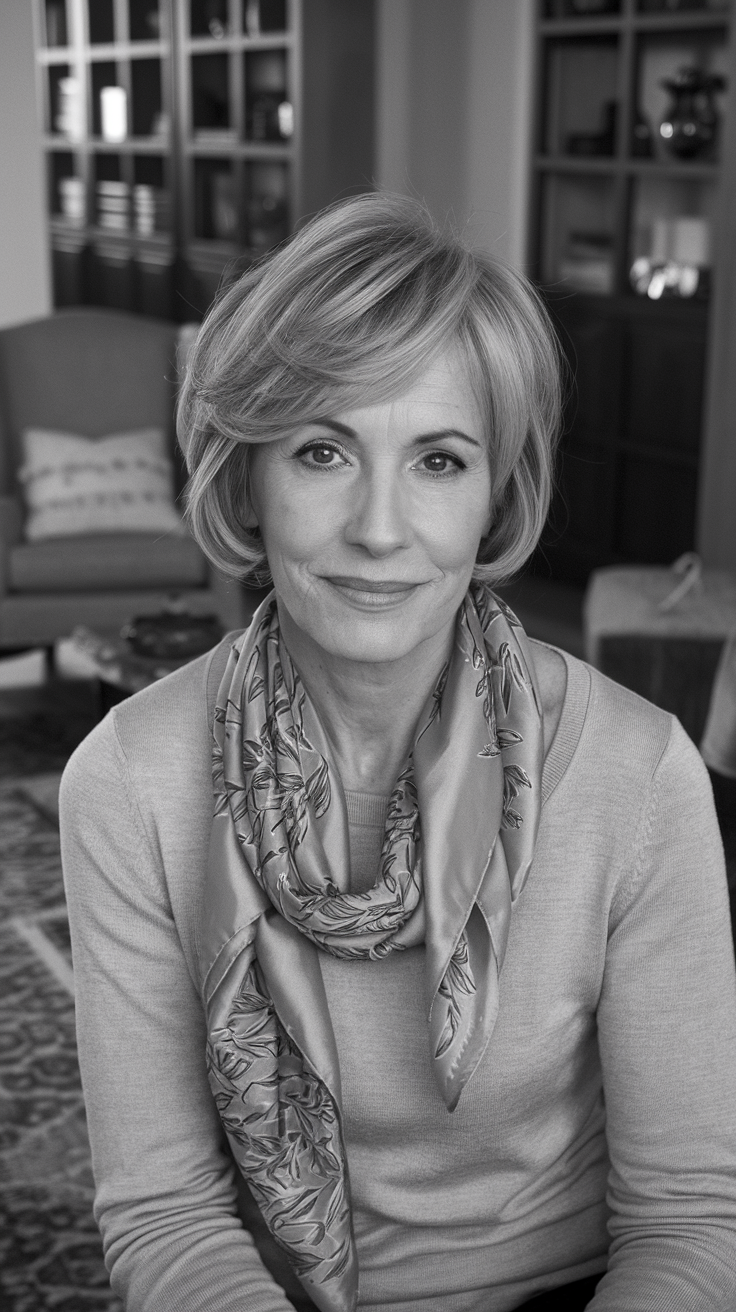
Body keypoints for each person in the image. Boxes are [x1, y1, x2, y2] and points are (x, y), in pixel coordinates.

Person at [59, 194, 736, 1312]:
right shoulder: (128, 783)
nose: (380, 526)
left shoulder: (638, 774)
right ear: (248, 476)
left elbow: (688, 1220)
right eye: (322, 450)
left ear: (493, 495)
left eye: (438, 459)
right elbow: (168, 1217)